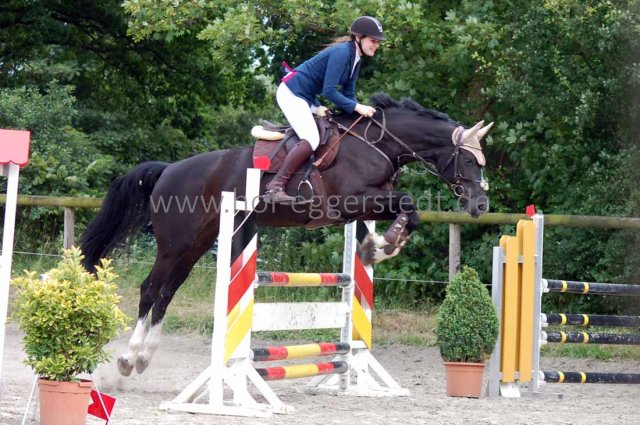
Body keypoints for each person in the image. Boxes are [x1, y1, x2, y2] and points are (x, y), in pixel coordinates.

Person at [264, 16, 385, 203]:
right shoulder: (342, 53)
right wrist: (358, 107)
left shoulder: (356, 59)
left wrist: (359, 114)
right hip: (292, 93)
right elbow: (329, 91)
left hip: (307, 97)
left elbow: (349, 94)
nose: (376, 45)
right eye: (373, 40)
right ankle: (275, 186)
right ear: (358, 37)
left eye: (378, 42)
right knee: (312, 139)